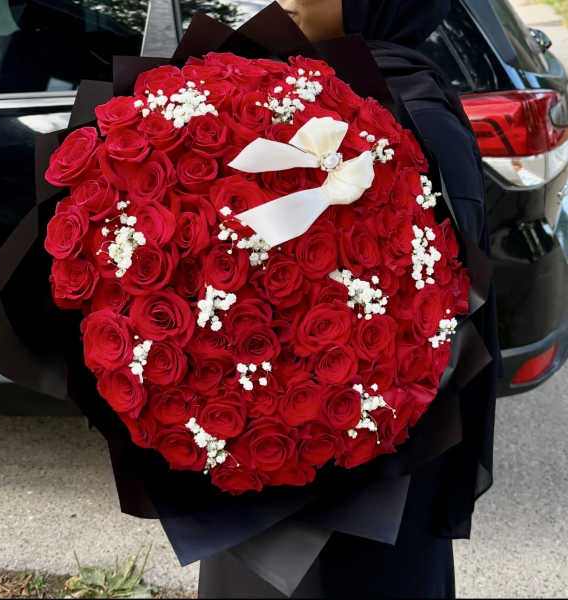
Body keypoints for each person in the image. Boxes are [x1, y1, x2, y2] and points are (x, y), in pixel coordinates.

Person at [197, 0, 500, 597]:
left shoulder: (411, 112)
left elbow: (442, 319)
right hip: (268, 457)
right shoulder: (298, 87)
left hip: (364, 472)